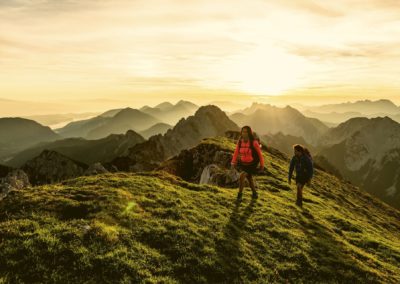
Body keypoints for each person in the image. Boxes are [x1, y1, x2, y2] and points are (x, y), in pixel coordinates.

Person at [231, 126, 264, 201]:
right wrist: (233, 162)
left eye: (246, 132)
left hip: (252, 163)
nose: (244, 133)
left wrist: (262, 165)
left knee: (242, 176)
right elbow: (236, 152)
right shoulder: (240, 142)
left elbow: (260, 154)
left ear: (249, 133)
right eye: (243, 131)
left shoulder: (254, 142)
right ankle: (254, 193)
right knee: (249, 178)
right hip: (244, 163)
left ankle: (239, 196)